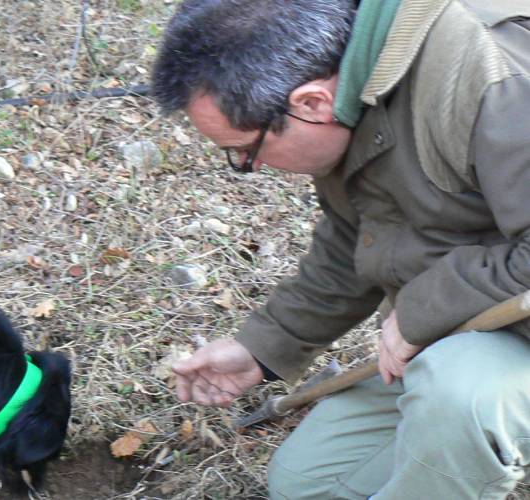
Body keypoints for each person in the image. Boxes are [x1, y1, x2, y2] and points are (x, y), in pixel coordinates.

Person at [151, 0, 530, 498]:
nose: (250, 164)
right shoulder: (357, 75)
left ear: (311, 104)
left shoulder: (492, 75)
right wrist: (263, 346)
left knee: (460, 395)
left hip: (492, 331)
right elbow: (363, 234)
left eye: (246, 149)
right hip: (474, 322)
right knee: (310, 483)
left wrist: (423, 310)